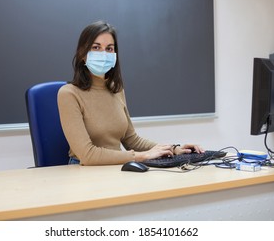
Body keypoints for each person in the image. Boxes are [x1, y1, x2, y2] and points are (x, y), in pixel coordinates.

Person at [57, 20, 204, 165]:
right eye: (96, 47)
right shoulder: (68, 94)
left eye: (109, 49)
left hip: (115, 167)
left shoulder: (116, 89)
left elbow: (131, 140)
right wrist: (141, 156)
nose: (104, 53)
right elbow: (87, 155)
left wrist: (173, 149)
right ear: (83, 53)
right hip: (82, 172)